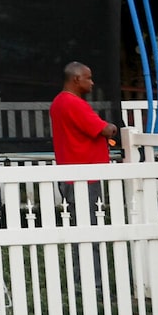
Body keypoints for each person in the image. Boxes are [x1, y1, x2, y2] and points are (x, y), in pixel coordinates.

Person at [48, 61, 126, 222]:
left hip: (68, 171)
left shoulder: (58, 101)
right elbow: (104, 129)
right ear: (76, 79)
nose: (92, 82)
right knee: (88, 224)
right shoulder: (75, 103)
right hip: (83, 174)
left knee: (79, 223)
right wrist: (112, 127)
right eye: (88, 78)